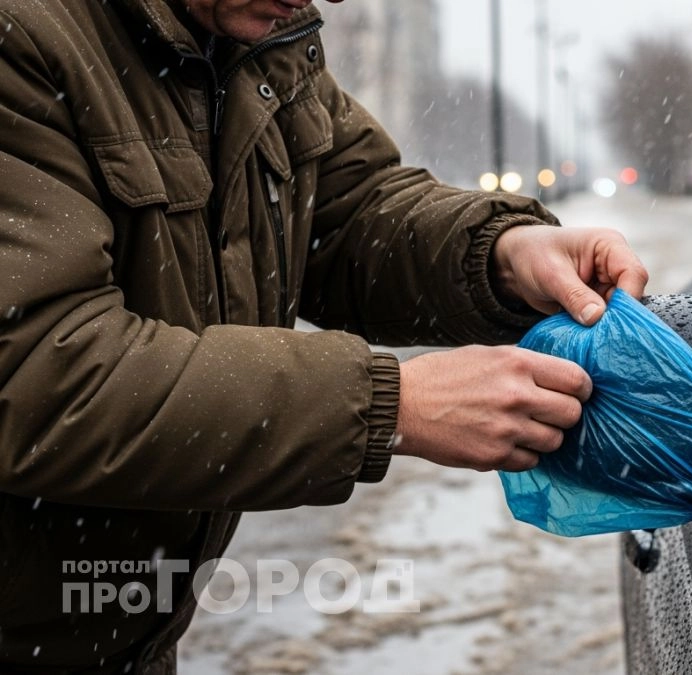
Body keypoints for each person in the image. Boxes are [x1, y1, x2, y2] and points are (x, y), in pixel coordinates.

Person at [0, 0, 648, 672]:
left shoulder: (260, 37)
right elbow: (39, 373)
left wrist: (502, 252)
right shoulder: (23, 33)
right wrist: (391, 404)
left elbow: (347, 211)